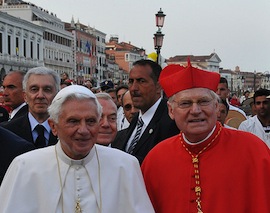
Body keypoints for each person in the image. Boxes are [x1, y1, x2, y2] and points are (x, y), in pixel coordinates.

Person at [0, 85, 155, 213]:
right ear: (53, 126)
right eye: (73, 121)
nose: (83, 130)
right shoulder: (25, 167)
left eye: (91, 121)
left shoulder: (125, 166)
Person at [141, 63, 270, 213]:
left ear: (216, 107)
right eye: (185, 103)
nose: (195, 110)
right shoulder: (155, 159)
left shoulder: (253, 150)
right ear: (171, 110)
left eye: (203, 101)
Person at [111, 59, 179, 164]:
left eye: (141, 81)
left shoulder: (171, 121)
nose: (133, 88)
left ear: (158, 86)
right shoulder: (136, 121)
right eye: (131, 81)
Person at [1, 67, 60, 148]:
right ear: (25, 96)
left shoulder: (67, 131)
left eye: (47, 89)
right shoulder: (7, 131)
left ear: (57, 95)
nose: (40, 96)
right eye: (34, 89)